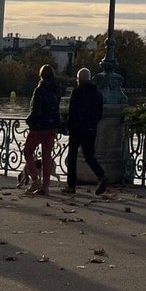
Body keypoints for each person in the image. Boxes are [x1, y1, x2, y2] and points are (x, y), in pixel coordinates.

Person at [61, 67, 108, 196]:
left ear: (79, 79)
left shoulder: (77, 92)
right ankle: (101, 175)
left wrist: (68, 126)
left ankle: (71, 185)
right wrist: (93, 124)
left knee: (72, 157)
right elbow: (99, 112)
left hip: (77, 128)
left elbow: (72, 111)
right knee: (89, 155)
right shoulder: (97, 92)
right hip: (91, 129)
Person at [22, 63, 61, 196]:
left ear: (41, 75)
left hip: (39, 126)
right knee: (46, 156)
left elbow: (35, 109)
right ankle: (45, 186)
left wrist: (30, 121)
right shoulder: (57, 89)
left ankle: (34, 179)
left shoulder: (40, 89)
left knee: (27, 151)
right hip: (52, 126)